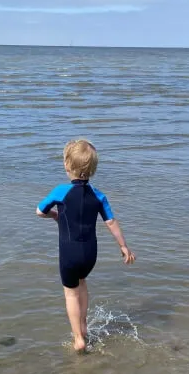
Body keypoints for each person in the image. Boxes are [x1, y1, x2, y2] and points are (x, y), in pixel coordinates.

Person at [36, 139, 135, 353]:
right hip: (90, 255)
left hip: (69, 253)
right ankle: (84, 327)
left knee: (70, 293)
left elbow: (39, 210)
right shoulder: (99, 195)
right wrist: (124, 246)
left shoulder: (61, 191)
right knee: (82, 283)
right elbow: (111, 222)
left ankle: (78, 338)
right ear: (93, 169)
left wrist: (56, 215)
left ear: (66, 165)